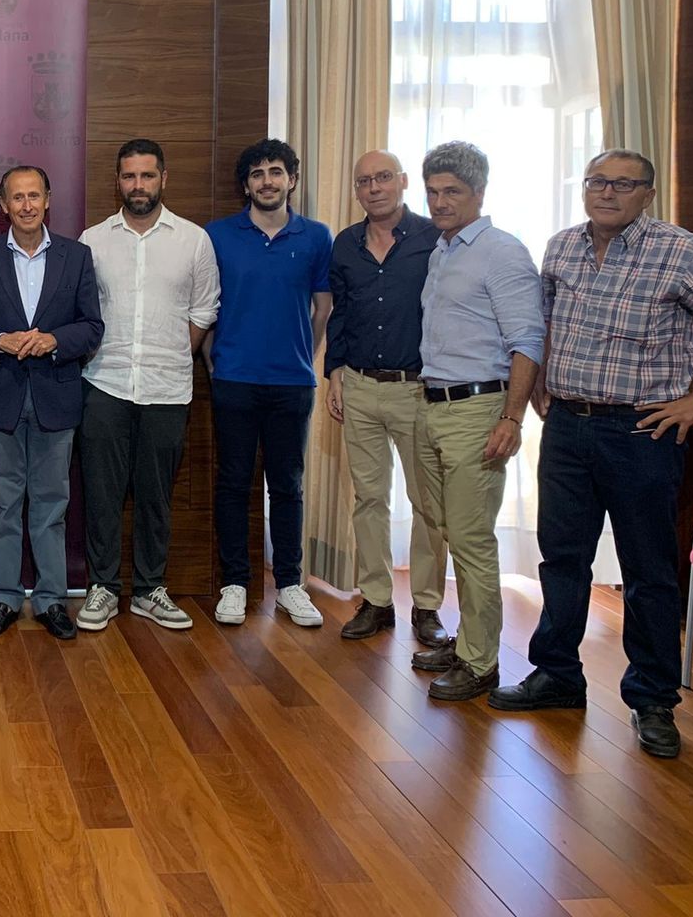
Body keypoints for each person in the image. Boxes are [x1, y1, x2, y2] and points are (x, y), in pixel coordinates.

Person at [491, 149, 693, 758]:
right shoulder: (561, 247)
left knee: (646, 572)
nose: (606, 193)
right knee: (561, 560)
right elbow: (544, 324)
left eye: (622, 185)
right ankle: (557, 676)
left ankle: (652, 700)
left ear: (647, 193)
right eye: (596, 181)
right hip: (567, 427)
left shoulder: (684, 251)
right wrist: (538, 386)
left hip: (643, 433)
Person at [412, 141, 544, 702]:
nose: (440, 202)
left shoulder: (501, 251)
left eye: (453, 192)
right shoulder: (442, 252)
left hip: (478, 409)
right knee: (447, 527)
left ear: (479, 193)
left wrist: (511, 417)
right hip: (433, 404)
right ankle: (467, 640)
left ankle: (481, 662)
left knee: (471, 538)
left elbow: (528, 341)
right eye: (434, 191)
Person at [77, 139, 220, 632]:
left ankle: (148, 589)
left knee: (156, 495)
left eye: (147, 176)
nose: (138, 185)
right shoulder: (92, 240)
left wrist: (168, 350)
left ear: (164, 178)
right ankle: (102, 587)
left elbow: (204, 309)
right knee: (101, 493)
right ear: (117, 181)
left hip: (167, 387)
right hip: (105, 383)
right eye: (129, 176)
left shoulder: (194, 240)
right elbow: (82, 312)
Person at [0, 165, 103, 641]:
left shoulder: (77, 256)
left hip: (55, 397)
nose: (25, 205)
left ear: (48, 200)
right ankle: (3, 597)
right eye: (16, 197)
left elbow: (92, 326)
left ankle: (50, 600)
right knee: (2, 504)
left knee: (51, 504)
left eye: (34, 196)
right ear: (3, 206)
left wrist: (54, 341)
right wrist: (1, 340)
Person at [205, 138, 333, 630]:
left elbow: (323, 307)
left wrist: (306, 354)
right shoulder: (218, 236)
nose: (266, 181)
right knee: (234, 483)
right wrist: (212, 358)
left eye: (275, 172)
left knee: (288, 485)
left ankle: (291, 584)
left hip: (292, 383)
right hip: (233, 378)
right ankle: (235, 582)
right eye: (257, 173)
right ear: (246, 184)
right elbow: (205, 306)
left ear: (292, 180)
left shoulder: (317, 236)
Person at [324, 150, 449, 647]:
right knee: (369, 499)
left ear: (401, 183)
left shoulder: (433, 239)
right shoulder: (345, 244)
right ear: (356, 191)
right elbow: (339, 313)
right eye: (363, 181)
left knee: (427, 502)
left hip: (417, 389)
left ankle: (427, 606)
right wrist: (333, 372)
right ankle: (376, 600)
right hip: (358, 385)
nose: (373, 188)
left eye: (382, 178)